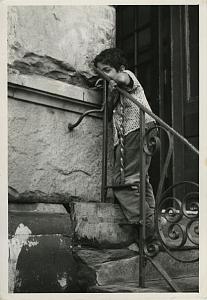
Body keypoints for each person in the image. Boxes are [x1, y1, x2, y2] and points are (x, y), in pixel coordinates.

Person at [94, 48, 157, 243]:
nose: (104, 75)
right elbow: (107, 111)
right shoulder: (115, 90)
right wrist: (111, 90)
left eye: (107, 70)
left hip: (136, 130)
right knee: (140, 180)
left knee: (124, 182)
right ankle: (152, 223)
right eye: (100, 72)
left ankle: (148, 233)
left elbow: (124, 78)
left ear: (120, 68)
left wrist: (115, 79)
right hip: (137, 133)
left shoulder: (128, 78)